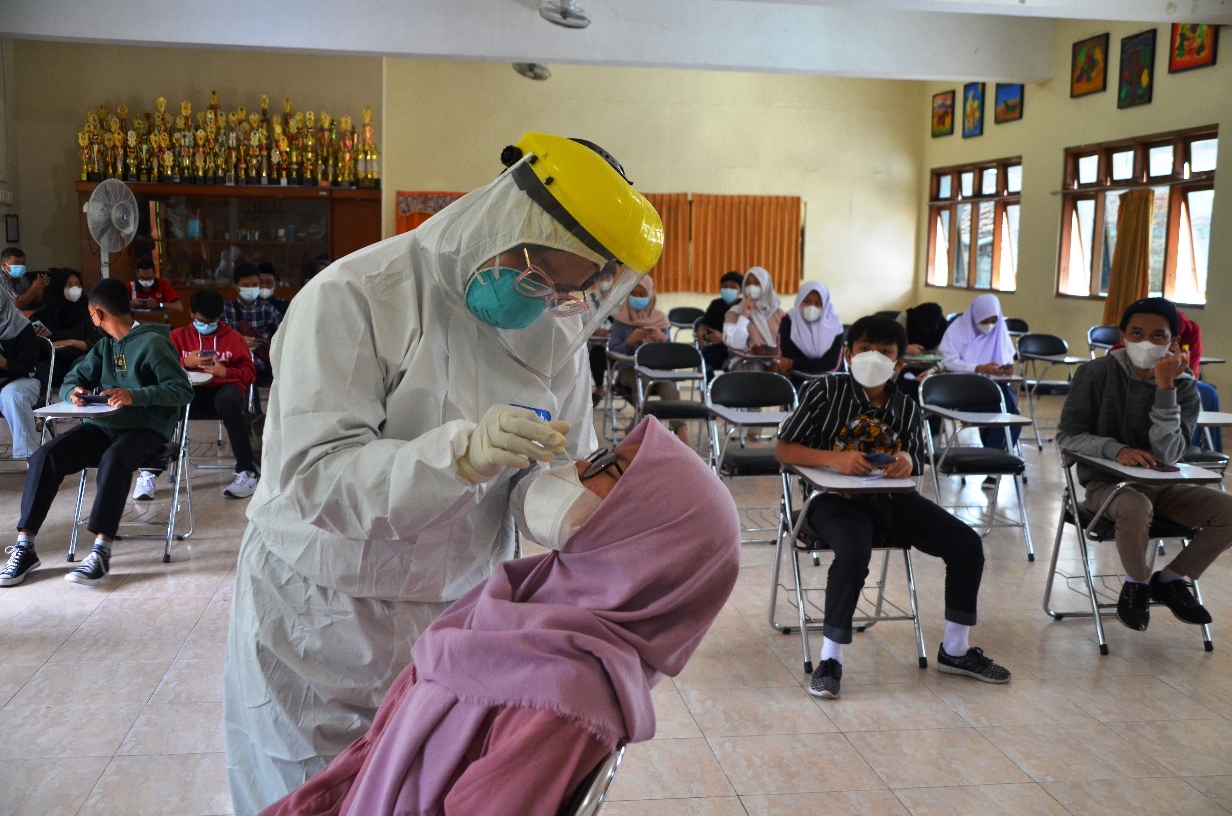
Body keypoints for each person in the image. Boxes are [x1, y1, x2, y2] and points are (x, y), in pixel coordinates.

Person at [223, 133, 664, 815]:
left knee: (414, 792)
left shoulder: (553, 337)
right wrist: (458, 458)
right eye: (533, 275)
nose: (541, 299)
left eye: (563, 288)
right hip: (319, 614)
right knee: (302, 792)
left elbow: (545, 468)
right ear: (501, 222)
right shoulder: (356, 296)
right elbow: (314, 477)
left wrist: (569, 509)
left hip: (454, 613)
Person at [258, 418, 739, 816]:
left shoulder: (561, 700)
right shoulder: (524, 603)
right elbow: (380, 753)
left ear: (642, 537)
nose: (574, 464)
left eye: (602, 465)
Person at [775, 314, 1010, 699]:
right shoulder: (825, 392)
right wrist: (834, 459)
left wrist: (907, 459)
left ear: (899, 363)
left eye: (884, 352)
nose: (873, 357)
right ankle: (830, 659)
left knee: (966, 544)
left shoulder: (905, 405)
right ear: (848, 354)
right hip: (828, 501)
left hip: (890, 500)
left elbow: (915, 455)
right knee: (854, 549)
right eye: (864, 349)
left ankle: (955, 650)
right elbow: (783, 449)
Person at [0, 278, 192, 588]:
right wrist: (73, 391)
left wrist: (136, 396)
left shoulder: (153, 343)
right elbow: (72, 378)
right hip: (103, 426)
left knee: (114, 460)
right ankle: (25, 546)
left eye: (90, 313)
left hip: (144, 430)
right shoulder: (104, 346)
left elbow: (182, 390)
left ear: (97, 313)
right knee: (46, 455)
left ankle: (101, 550)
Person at [1057, 297, 1232, 633]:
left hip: (1164, 485)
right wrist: (1115, 449)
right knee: (1135, 506)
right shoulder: (1095, 373)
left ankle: (1171, 580)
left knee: (1227, 512)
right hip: (1107, 487)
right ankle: (1136, 584)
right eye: (1136, 333)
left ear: (1173, 342)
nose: (1145, 343)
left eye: (1158, 335)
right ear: (1122, 336)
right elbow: (1068, 435)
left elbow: (1169, 454)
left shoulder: (1184, 387)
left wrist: (1165, 388)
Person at [167, 288, 260, 499]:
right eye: (201, 321)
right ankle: (150, 471)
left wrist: (225, 371)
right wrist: (185, 362)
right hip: (193, 392)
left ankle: (247, 470)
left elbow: (250, 374)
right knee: (167, 404)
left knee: (228, 403)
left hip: (225, 388)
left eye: (212, 322)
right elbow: (161, 369)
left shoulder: (234, 338)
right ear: (191, 314)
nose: (207, 326)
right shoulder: (177, 336)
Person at [937, 294, 1022, 478]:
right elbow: (948, 361)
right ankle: (993, 464)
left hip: (995, 388)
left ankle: (994, 462)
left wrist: (1004, 370)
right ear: (975, 316)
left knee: (1012, 415)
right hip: (963, 392)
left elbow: (1005, 356)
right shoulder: (957, 330)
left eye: (993, 320)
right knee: (1002, 407)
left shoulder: (999, 331)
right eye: (985, 321)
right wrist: (977, 368)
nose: (990, 325)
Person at [607, 277, 689, 444]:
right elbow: (612, 350)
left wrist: (662, 339)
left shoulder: (660, 319)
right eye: (634, 294)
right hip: (630, 369)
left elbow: (670, 355)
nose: (638, 297)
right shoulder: (621, 318)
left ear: (650, 295)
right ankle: (639, 429)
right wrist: (630, 341)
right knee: (642, 379)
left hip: (657, 370)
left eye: (642, 294)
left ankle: (682, 435)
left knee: (669, 387)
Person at [31, 268, 100, 386]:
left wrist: (71, 342)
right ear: (58, 287)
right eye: (69, 285)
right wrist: (39, 340)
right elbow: (37, 350)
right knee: (38, 371)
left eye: (78, 284)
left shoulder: (88, 309)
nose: (75, 289)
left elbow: (97, 342)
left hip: (79, 357)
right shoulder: (45, 313)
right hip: (54, 359)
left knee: (83, 366)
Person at [223, 262, 283, 385]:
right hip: (235, 365)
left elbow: (284, 336)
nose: (251, 289)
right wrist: (239, 341)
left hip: (263, 367)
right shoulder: (225, 310)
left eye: (255, 285)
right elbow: (216, 339)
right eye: (246, 285)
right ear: (236, 286)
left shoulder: (268, 309)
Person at [0, 295, 44, 461]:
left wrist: (4, 363)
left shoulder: (22, 327)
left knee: (12, 395)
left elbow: (27, 367)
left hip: (23, 380)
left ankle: (31, 455)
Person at [777, 280, 844, 375]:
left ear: (825, 305)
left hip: (829, 380)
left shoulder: (834, 325)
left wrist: (793, 363)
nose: (812, 307)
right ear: (799, 301)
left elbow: (831, 364)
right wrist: (812, 365)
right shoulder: (789, 320)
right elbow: (786, 358)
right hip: (796, 378)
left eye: (818, 303)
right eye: (806, 301)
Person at [723, 266, 784, 360]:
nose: (751, 287)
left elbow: (788, 345)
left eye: (756, 283)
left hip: (775, 362)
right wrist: (744, 314)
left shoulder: (779, 314)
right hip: (745, 362)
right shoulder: (734, 313)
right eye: (747, 283)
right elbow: (735, 344)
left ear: (766, 286)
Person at [696, 270, 744, 374]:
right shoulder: (716, 305)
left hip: (737, 350)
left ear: (740, 291)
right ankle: (709, 388)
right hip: (717, 347)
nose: (728, 289)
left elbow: (745, 336)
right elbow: (705, 323)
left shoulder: (745, 308)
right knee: (705, 360)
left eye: (732, 287)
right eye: (725, 287)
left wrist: (723, 338)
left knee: (732, 365)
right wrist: (701, 330)